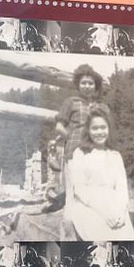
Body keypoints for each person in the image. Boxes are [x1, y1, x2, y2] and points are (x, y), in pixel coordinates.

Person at [64, 105, 134, 241]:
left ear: (109, 129)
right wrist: (104, 212)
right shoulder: (80, 153)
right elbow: (79, 188)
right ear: (88, 131)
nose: (99, 132)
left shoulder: (115, 155)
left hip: (114, 207)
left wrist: (121, 212)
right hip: (89, 206)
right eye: (95, 128)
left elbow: (122, 189)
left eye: (103, 127)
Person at [43, 64, 108, 211]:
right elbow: (59, 127)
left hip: (96, 153)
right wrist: (75, 138)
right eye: (83, 83)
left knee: (94, 191)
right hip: (74, 152)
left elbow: (106, 130)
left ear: (95, 86)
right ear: (78, 85)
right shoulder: (71, 102)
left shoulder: (101, 107)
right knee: (74, 192)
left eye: (90, 83)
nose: (87, 86)